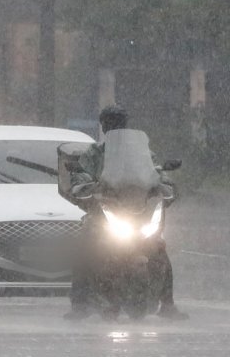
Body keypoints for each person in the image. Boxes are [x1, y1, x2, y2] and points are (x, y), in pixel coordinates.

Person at [64, 104, 189, 321]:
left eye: (118, 123)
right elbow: (81, 175)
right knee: (84, 246)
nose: (114, 126)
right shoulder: (94, 154)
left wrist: (165, 184)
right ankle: (79, 304)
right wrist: (84, 184)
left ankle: (167, 304)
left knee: (159, 248)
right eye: (110, 122)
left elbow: (156, 172)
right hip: (105, 211)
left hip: (138, 211)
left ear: (126, 125)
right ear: (103, 126)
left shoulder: (142, 152)